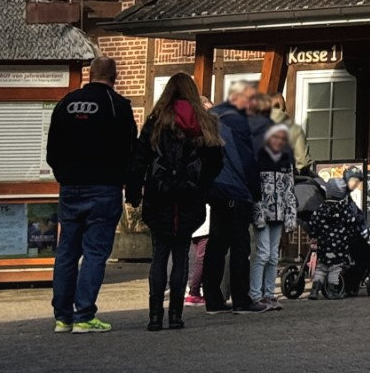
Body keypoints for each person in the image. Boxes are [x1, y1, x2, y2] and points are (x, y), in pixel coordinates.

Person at [47, 56, 137, 334]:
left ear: (89, 74)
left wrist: (65, 175)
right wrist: (127, 183)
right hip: (104, 187)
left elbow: (52, 149)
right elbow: (130, 151)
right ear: (115, 76)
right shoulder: (117, 106)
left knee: (66, 251)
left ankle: (62, 317)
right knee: (95, 252)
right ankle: (84, 315)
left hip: (70, 187)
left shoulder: (66, 103)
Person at [126, 73, 223, 331]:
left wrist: (134, 193)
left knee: (159, 255)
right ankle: (176, 316)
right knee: (181, 254)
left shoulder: (157, 121)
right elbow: (216, 163)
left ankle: (155, 316)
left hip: (160, 196)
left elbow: (139, 159)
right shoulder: (204, 121)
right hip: (190, 197)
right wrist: (202, 186)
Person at [203, 81, 262, 313]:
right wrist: (255, 191)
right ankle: (241, 299)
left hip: (216, 189)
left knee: (216, 244)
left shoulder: (211, 116)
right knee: (240, 246)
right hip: (237, 190)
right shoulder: (241, 123)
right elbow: (245, 160)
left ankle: (212, 299)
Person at [247, 125, 297, 313]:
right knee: (263, 254)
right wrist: (258, 215)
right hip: (263, 214)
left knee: (274, 256)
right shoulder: (258, 159)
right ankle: (255, 294)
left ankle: (269, 293)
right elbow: (255, 190)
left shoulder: (286, 160)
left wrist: (290, 218)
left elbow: (289, 190)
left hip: (279, 214)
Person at [269, 93, 311, 172]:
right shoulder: (294, 129)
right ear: (283, 107)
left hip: (258, 180)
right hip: (285, 179)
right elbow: (303, 162)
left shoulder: (253, 128)